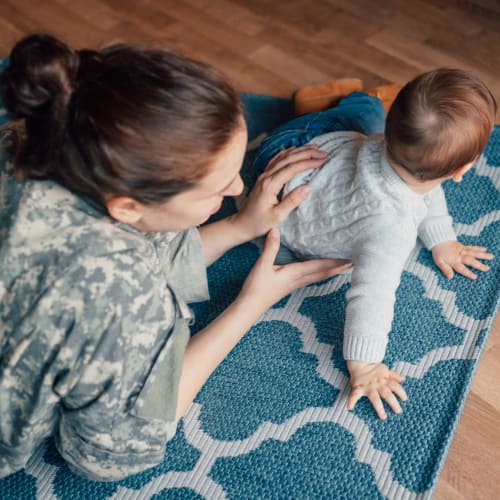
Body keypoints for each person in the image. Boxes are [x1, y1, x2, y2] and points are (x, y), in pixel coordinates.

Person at [0, 34, 352, 481]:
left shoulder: (30, 138)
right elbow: (110, 455)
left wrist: (239, 227)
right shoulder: (123, 293)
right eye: (217, 187)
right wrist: (252, 304)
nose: (237, 190)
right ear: (127, 207)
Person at [251, 68, 496, 420]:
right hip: (293, 167)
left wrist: (441, 239)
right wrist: (364, 365)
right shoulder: (392, 227)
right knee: (363, 114)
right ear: (462, 170)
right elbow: (372, 294)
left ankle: (351, 102)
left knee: (366, 119)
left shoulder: (387, 145)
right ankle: (347, 100)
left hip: (288, 164)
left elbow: (425, 190)